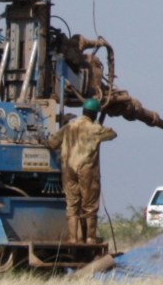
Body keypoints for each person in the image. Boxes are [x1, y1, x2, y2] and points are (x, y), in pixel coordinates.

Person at [48, 99, 117, 244]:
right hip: (87, 169)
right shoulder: (94, 128)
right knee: (90, 205)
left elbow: (52, 143)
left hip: (68, 169)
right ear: (94, 114)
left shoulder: (68, 127)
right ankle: (90, 237)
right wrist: (98, 124)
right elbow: (112, 134)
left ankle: (73, 238)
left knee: (72, 204)